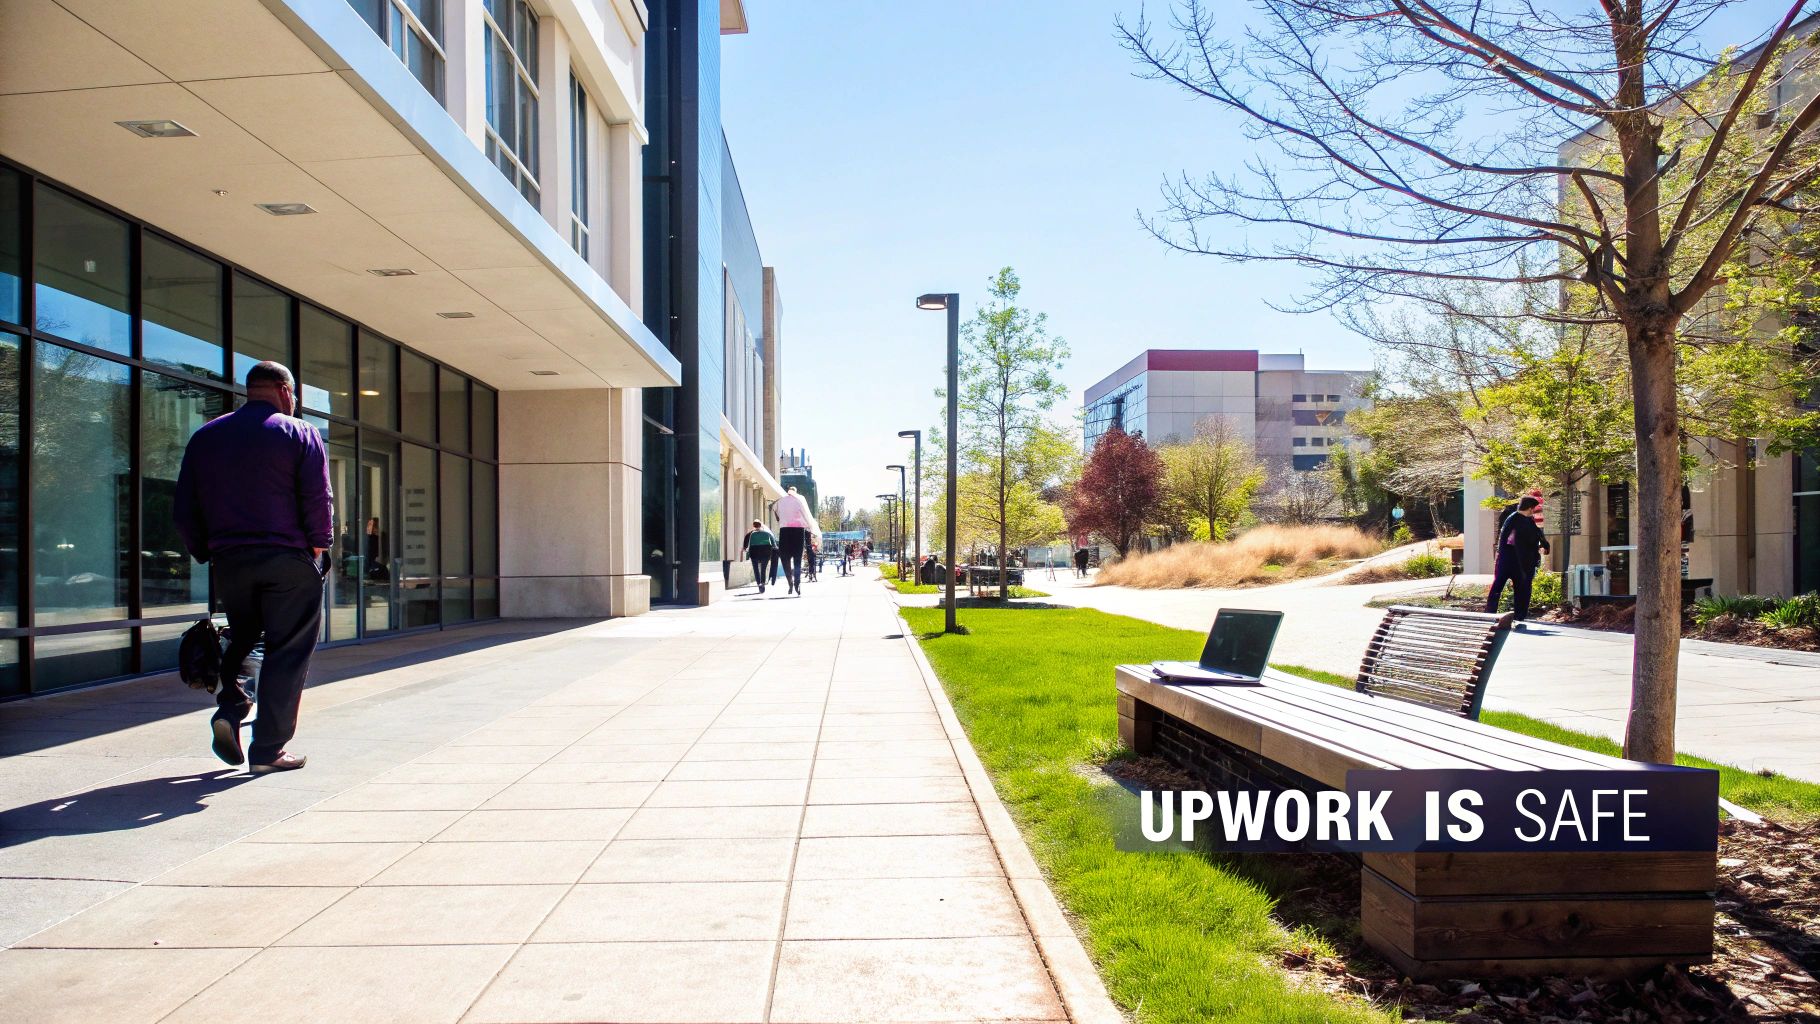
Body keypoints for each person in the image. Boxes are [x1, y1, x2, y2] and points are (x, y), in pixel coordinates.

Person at [174, 361, 330, 775]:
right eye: (293, 395)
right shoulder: (299, 432)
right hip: (288, 559)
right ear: (284, 390)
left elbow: (185, 507)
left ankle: (230, 708)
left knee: (244, 637)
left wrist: (206, 551)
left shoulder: (206, 435)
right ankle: (268, 750)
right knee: (288, 650)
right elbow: (318, 499)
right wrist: (319, 546)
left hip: (231, 560)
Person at [1485, 494, 1551, 622]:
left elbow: (1537, 534)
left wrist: (1544, 545)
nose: (1535, 512)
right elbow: (1510, 541)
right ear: (1530, 508)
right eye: (1535, 509)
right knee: (1501, 586)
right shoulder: (1514, 519)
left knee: (1521, 589)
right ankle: (1491, 613)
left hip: (1519, 561)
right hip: (1511, 561)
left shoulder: (1527, 520)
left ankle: (1518, 616)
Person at [773, 486, 819, 595]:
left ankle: (790, 583)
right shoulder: (800, 500)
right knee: (797, 559)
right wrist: (811, 529)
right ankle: (797, 583)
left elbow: (774, 510)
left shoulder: (780, 501)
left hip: (784, 531)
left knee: (785, 559)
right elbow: (807, 515)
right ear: (796, 492)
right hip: (798, 531)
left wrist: (780, 519)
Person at [742, 519, 776, 594]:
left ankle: (759, 584)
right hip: (766, 551)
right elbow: (773, 541)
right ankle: (763, 583)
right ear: (761, 525)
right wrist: (774, 546)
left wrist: (745, 548)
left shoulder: (750, 534)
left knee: (756, 569)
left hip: (754, 552)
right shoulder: (767, 533)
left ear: (753, 526)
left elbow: (745, 545)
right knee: (763, 568)